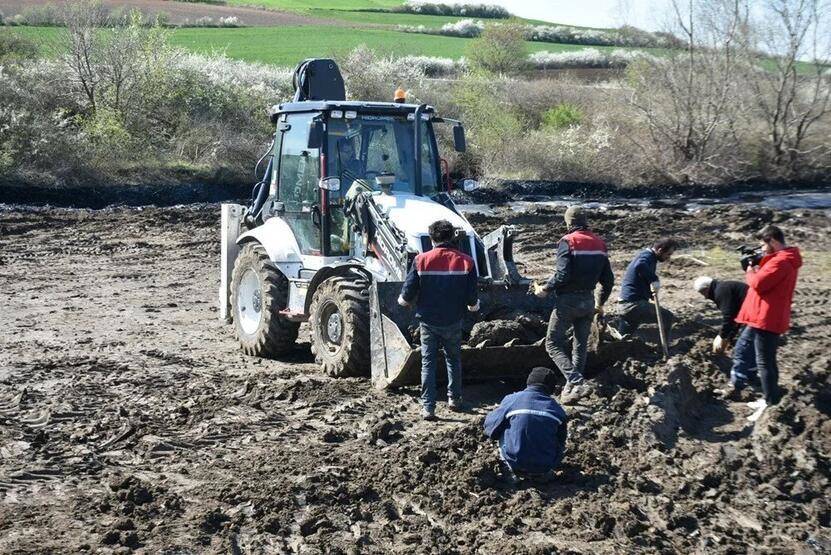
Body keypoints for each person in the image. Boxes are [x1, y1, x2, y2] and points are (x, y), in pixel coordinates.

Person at [399, 220, 479, 421]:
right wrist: (473, 307)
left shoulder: (421, 260)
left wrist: (402, 301)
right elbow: (472, 296)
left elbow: (407, 294)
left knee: (428, 363)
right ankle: (455, 399)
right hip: (453, 320)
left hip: (428, 321)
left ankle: (428, 407)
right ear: (452, 236)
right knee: (453, 359)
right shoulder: (467, 261)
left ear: (432, 238)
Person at [532, 206, 614, 404]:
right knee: (580, 346)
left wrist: (545, 289)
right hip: (588, 300)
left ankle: (577, 381)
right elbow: (608, 281)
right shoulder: (600, 244)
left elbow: (562, 275)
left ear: (568, 222)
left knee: (552, 344)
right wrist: (599, 304)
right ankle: (571, 391)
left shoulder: (567, 242)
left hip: (567, 301)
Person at [731, 225, 801, 422]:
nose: (761, 247)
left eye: (763, 243)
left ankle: (770, 403)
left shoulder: (782, 261)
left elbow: (759, 284)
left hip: (768, 317)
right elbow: (766, 280)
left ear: (772, 241)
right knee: (762, 359)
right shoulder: (781, 260)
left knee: (765, 362)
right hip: (763, 315)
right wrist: (757, 266)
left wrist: (749, 269)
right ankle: (768, 398)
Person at [484, 367, 568, 479]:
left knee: (503, 425)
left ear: (529, 382)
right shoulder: (557, 410)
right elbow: (561, 442)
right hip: (545, 465)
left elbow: (490, 427)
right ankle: (541, 472)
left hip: (515, 461)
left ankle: (510, 470)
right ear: (551, 389)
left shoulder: (512, 399)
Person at [610, 238, 678, 340]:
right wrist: (654, 280)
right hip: (633, 305)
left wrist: (650, 293)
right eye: (668, 254)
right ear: (660, 250)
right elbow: (640, 265)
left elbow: (641, 276)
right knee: (667, 317)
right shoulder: (646, 256)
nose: (668, 258)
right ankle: (662, 349)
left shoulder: (648, 257)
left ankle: (613, 349)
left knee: (623, 338)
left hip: (626, 305)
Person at [693, 276, 749, 354]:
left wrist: (722, 336)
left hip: (755, 316)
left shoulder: (721, 291)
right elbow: (736, 316)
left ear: (707, 288)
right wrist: (729, 338)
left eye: (703, 293)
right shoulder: (723, 288)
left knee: (744, 349)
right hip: (756, 313)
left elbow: (729, 316)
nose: (705, 297)